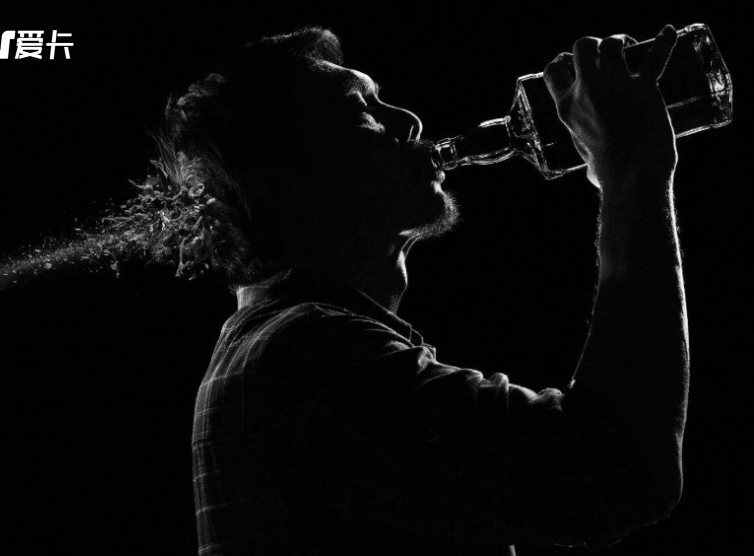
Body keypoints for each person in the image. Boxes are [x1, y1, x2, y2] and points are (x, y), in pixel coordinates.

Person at [166, 25, 689, 555]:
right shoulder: (306, 354)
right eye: (361, 110)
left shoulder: (283, 347)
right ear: (286, 185)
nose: (410, 119)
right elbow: (617, 467)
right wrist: (631, 171)